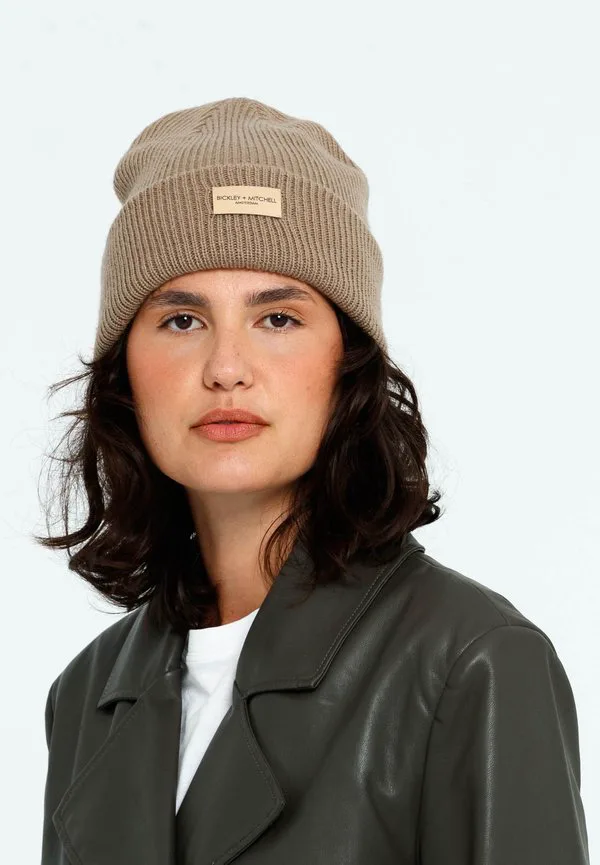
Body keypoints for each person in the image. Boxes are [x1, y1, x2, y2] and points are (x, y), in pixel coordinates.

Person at [37, 97, 590, 864]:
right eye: (182, 320)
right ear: (125, 369)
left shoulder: (471, 663)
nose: (226, 368)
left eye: (278, 319)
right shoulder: (86, 696)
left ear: (348, 363)